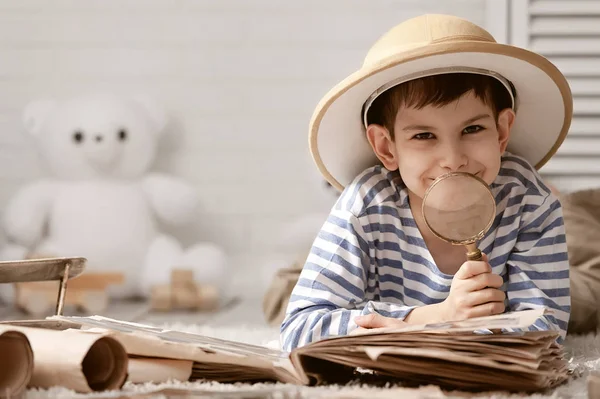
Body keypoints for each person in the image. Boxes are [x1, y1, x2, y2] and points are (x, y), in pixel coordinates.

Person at [280, 14, 573, 352]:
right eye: (423, 135)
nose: (453, 158)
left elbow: (546, 335)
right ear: (387, 148)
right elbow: (299, 330)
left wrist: (454, 324)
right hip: (397, 299)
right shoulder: (365, 206)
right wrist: (433, 318)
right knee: (283, 291)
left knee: (587, 285)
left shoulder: (530, 201)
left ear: (502, 132)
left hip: (548, 240)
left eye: (472, 129)